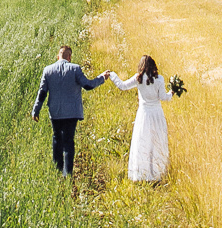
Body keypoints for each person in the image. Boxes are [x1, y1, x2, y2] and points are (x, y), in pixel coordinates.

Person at [31, 45, 111, 176]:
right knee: (68, 141)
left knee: (57, 138)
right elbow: (88, 85)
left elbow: (42, 93)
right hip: (72, 113)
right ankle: (67, 173)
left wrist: (36, 111)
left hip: (55, 112)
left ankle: (57, 170)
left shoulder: (47, 70)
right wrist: (102, 77)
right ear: (69, 57)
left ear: (58, 57)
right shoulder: (75, 69)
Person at [112, 54, 174, 182]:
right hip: (156, 114)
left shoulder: (138, 78)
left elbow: (122, 86)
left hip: (144, 114)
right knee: (157, 142)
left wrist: (112, 75)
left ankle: (142, 174)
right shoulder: (159, 79)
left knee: (143, 142)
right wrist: (172, 92)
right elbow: (164, 97)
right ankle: (157, 173)